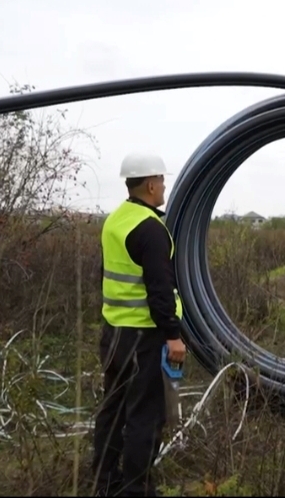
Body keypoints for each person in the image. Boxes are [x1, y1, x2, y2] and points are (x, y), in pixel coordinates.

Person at [91, 152, 186, 497]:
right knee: (145, 416)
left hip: (113, 334)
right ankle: (136, 490)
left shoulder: (116, 220)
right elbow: (160, 289)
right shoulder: (150, 230)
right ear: (149, 184)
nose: (164, 186)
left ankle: (104, 483)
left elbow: (107, 275)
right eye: (161, 180)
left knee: (112, 410)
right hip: (143, 338)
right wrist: (173, 335)